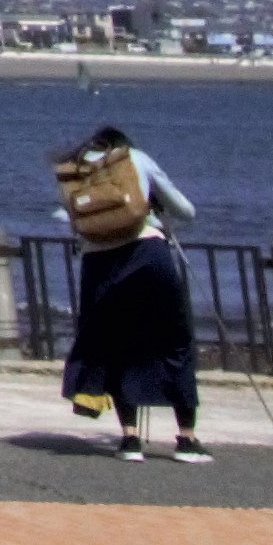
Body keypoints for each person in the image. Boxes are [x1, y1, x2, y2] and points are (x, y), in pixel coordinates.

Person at [49, 123, 206, 461]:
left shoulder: (73, 172)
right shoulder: (135, 159)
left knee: (118, 347)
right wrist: (151, 207)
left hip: (99, 265)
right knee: (175, 343)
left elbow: (65, 216)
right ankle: (187, 440)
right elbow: (186, 210)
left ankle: (130, 440)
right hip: (147, 255)